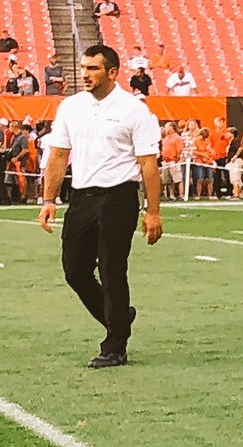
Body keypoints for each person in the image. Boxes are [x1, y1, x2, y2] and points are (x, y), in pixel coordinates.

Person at [37, 44, 162, 368]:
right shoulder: (71, 107)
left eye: (93, 68)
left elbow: (148, 165)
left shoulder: (134, 110)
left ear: (112, 72)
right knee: (75, 271)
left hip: (119, 196)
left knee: (111, 268)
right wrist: (49, 199)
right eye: (84, 67)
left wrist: (152, 212)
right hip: (81, 196)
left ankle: (115, 346)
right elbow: (58, 155)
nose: (85, 74)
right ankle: (119, 317)